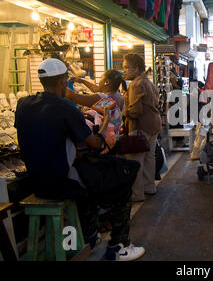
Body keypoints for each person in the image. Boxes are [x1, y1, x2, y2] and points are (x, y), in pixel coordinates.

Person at [14, 58, 145, 261]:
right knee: (122, 178)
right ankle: (119, 246)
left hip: (35, 182)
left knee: (91, 178)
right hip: (61, 182)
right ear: (62, 82)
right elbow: (95, 144)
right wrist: (104, 128)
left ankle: (89, 237)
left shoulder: (23, 105)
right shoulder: (67, 109)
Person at [122, 53, 162, 201]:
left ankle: (137, 194)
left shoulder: (135, 84)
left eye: (127, 67)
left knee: (136, 160)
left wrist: (125, 111)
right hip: (153, 124)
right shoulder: (148, 82)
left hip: (141, 126)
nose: (124, 70)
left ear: (137, 68)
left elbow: (135, 111)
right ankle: (149, 187)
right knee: (149, 157)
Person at [66, 69, 126, 136]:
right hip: (114, 138)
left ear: (106, 82)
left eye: (101, 78)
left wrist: (61, 84)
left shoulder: (101, 97)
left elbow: (73, 97)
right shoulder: (120, 97)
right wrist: (82, 81)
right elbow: (98, 89)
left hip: (102, 140)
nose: (99, 81)